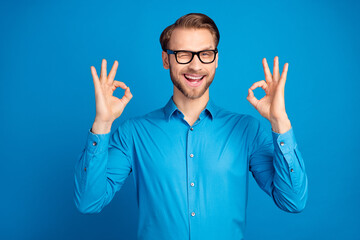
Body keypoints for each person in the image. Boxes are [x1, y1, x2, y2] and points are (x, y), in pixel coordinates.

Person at [73, 13, 308, 240]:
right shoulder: (133, 133)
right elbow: (88, 202)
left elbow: (293, 201)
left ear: (216, 59)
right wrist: (102, 123)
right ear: (166, 59)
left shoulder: (247, 130)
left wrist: (279, 121)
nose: (195, 66)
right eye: (183, 54)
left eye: (205, 54)